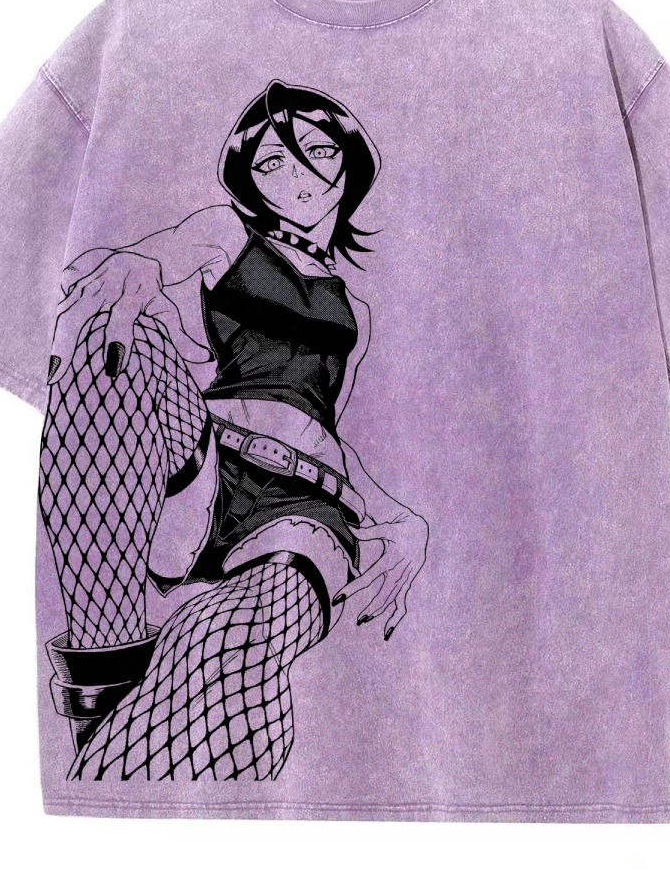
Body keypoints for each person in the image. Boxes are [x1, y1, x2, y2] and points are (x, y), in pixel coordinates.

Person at [39, 80, 430, 779]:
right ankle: (112, 651)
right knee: (117, 333)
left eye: (316, 151)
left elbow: (326, 431)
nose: (296, 174)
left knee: (220, 641)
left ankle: (109, 712)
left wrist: (400, 519)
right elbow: (167, 251)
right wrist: (137, 266)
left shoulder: (357, 314)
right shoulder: (227, 235)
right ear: (249, 178)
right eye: (271, 161)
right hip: (199, 464)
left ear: (350, 164)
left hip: (299, 511)